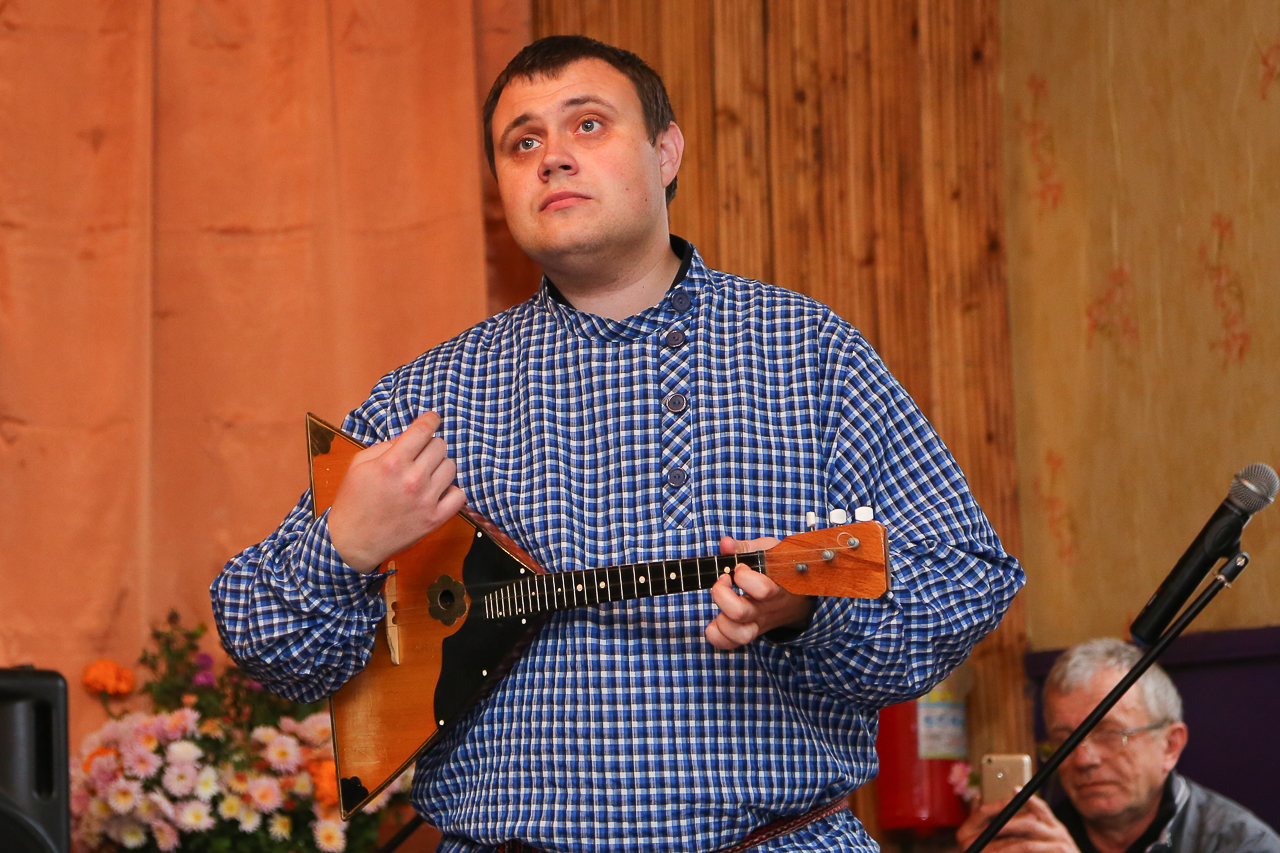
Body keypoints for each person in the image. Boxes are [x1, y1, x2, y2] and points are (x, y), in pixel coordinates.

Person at [211, 35, 1024, 853]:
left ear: (666, 152)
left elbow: (964, 579)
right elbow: (268, 645)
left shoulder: (808, 351)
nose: (553, 158)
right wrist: (344, 545)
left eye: (588, 125)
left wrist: (809, 610)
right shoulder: (426, 399)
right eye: (522, 142)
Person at [957, 638, 1279, 853]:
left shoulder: (1242, 844)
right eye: (1064, 740)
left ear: (1170, 746)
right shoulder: (1038, 839)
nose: (1083, 759)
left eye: (1110, 734)